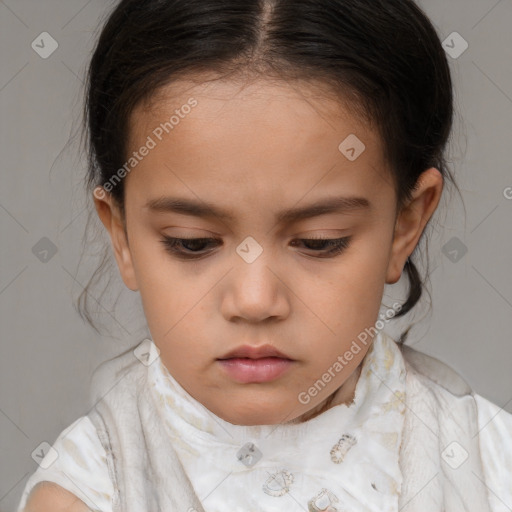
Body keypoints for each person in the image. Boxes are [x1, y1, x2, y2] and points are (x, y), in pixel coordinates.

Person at [17, 0, 512, 511]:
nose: (255, 301)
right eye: (192, 242)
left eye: (320, 242)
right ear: (121, 233)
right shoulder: (91, 495)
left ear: (405, 225)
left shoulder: (492, 468)